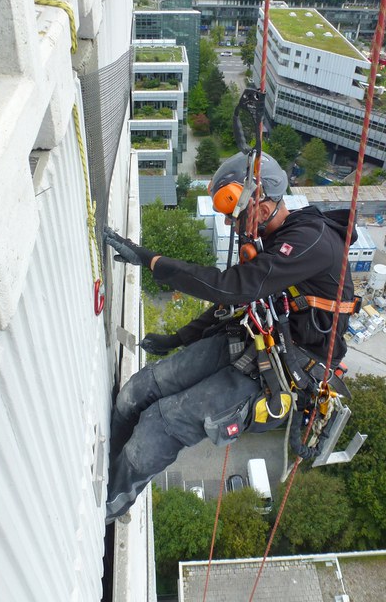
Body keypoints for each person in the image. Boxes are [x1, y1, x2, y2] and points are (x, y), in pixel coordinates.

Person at [103, 152, 358, 523]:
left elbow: (231, 289)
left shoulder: (310, 240)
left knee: (161, 424)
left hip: (283, 371)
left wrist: (151, 260)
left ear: (262, 201)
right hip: (253, 341)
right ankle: (110, 465)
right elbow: (234, 305)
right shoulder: (274, 240)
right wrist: (176, 339)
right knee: (137, 392)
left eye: (234, 210)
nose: (230, 221)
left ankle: (108, 505)